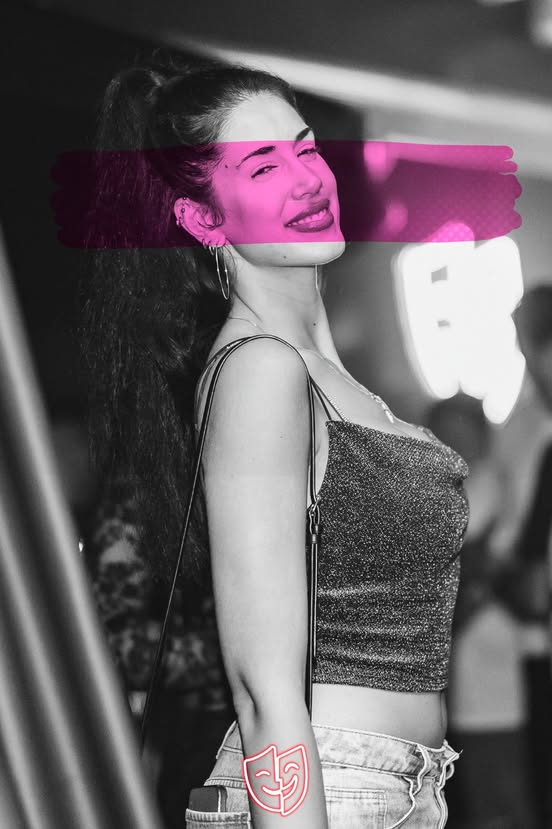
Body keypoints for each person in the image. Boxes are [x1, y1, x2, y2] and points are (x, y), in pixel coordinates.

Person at [82, 51, 469, 828]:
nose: (306, 179)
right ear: (203, 219)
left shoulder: (321, 372)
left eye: (305, 149)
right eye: (262, 166)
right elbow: (262, 689)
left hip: (397, 787)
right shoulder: (258, 371)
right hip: (328, 789)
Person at [426, 395, 534, 829]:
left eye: (454, 426)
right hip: (467, 660)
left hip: (492, 650)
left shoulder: (488, 480)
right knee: (480, 786)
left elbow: (472, 556)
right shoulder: (464, 481)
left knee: (499, 785)